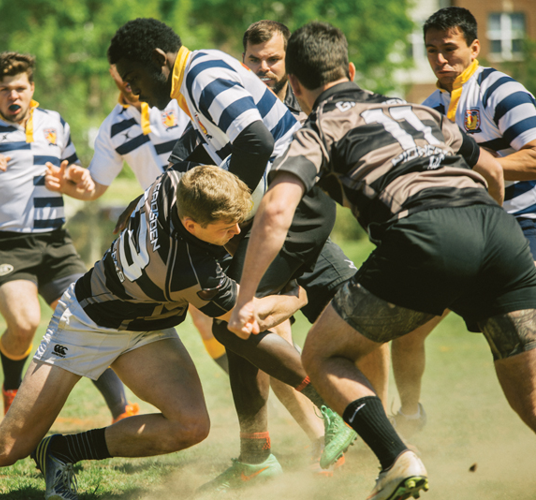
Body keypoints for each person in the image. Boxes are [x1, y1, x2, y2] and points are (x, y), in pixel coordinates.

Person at [229, 21, 536, 500]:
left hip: (424, 234)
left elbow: (275, 209)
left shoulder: (315, 128)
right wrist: (488, 222)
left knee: (322, 353)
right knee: (531, 398)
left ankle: (397, 457)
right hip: (500, 234)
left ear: (296, 88)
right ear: (350, 70)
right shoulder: (417, 109)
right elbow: (493, 168)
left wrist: (245, 299)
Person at [0, 166, 302, 500]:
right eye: (227, 226)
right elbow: (249, 316)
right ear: (191, 225)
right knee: (3, 449)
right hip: (86, 323)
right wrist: (299, 297)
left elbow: (142, 203)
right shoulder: (187, 272)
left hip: (144, 326)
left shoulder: (175, 182)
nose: (236, 233)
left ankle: (63, 452)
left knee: (190, 426)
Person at [107, 17, 358, 487]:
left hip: (297, 201)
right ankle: (256, 457)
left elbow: (256, 141)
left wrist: (232, 220)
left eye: (134, 79)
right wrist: (147, 203)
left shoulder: (201, 74)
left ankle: (338, 408)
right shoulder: (191, 86)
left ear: (159, 62)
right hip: (285, 201)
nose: (134, 91)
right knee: (233, 321)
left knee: (235, 319)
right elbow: (191, 151)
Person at [0, 52, 135, 420]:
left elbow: (71, 176)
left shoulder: (54, 123)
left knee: (86, 317)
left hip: (55, 242)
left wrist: (80, 180)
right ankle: (12, 386)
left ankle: (121, 410)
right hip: (4, 245)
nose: (14, 96)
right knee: (24, 324)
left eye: (20, 88)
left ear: (32, 88)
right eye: (5, 89)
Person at [389, 5, 536, 436]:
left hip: (522, 224)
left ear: (474, 47)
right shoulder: (428, 107)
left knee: (518, 347)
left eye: (449, 48)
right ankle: (409, 420)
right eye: (431, 50)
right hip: (463, 234)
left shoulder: (500, 91)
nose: (439, 59)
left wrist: (477, 165)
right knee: (407, 326)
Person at [45, 64, 230, 372]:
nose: (128, 79)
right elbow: (95, 186)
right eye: (120, 71)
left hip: (215, 214)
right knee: (203, 317)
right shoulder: (113, 126)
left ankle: (285, 389)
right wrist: (74, 183)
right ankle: (248, 391)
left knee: (239, 305)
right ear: (113, 75)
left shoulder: (176, 100)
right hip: (170, 230)